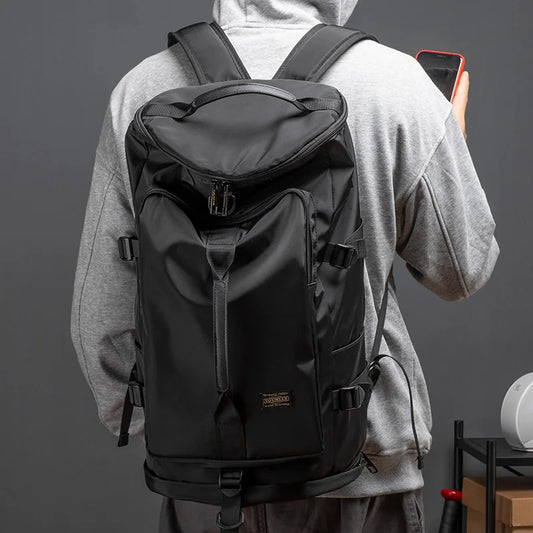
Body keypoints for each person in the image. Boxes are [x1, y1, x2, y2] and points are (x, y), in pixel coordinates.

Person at [70, 0, 499, 531]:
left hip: (202, 482)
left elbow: (98, 319)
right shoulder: (396, 85)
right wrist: (451, 138)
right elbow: (462, 270)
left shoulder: (141, 89)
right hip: (361, 473)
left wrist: (188, 432)